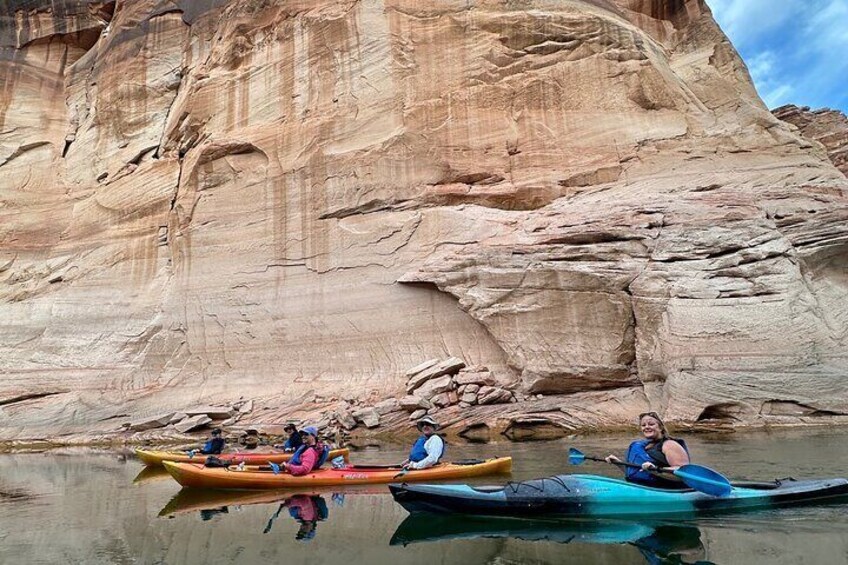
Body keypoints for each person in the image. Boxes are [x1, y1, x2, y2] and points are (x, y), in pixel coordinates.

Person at [605, 411, 690, 488]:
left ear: (660, 428)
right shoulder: (646, 446)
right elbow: (636, 473)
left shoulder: (670, 445)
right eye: (643, 425)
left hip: (668, 491)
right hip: (644, 488)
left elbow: (684, 473)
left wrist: (656, 470)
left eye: (651, 424)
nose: (647, 427)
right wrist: (618, 463)